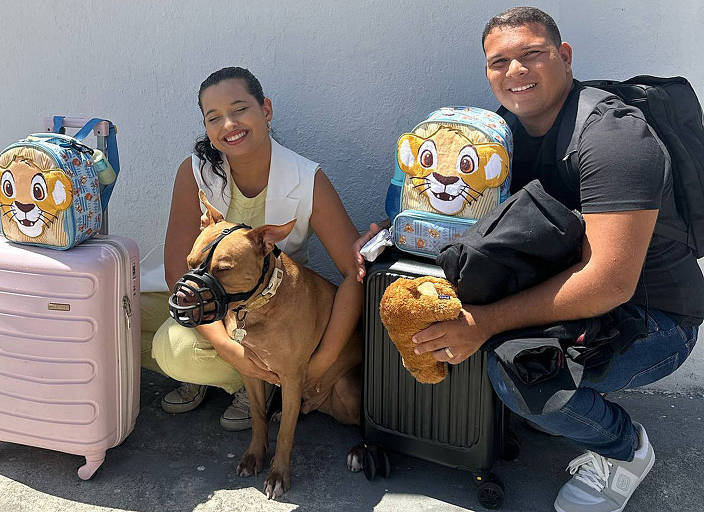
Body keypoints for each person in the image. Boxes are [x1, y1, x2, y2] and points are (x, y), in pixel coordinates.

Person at [354, 7, 702, 512]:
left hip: (653, 319)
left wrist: (485, 322)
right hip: (576, 288)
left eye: (532, 54)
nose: (515, 71)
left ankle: (623, 450)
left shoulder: (613, 138)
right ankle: (532, 408)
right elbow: (468, 221)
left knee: (520, 368)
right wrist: (394, 237)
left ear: (563, 56)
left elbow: (609, 283)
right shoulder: (498, 133)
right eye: (500, 62)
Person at [142, 66, 362, 431]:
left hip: (273, 314)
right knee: (122, 316)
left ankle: (259, 384)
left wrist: (319, 364)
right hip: (213, 302)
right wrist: (231, 351)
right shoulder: (194, 173)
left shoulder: (308, 180)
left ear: (267, 111)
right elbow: (177, 273)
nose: (229, 124)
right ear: (208, 130)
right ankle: (238, 372)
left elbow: (354, 272)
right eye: (214, 117)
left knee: (173, 349)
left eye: (239, 108)